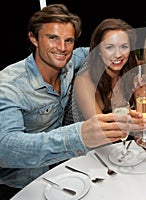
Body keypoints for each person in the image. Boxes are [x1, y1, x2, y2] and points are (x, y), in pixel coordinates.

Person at [0, 4, 133, 197]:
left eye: (68, 40)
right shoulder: (9, 85)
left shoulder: (70, 61)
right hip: (22, 186)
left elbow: (105, 49)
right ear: (33, 38)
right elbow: (5, 148)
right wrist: (79, 136)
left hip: (66, 174)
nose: (62, 48)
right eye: (52, 38)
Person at [64, 18, 140, 123]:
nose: (118, 55)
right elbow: (101, 130)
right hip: (94, 138)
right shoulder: (84, 80)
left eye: (124, 47)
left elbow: (143, 120)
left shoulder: (132, 73)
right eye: (110, 47)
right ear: (98, 50)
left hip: (124, 138)